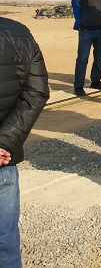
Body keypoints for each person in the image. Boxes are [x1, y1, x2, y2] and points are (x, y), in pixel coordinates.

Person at [0, 17, 50, 267]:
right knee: (6, 242)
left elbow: (36, 92)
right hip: (3, 159)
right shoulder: (18, 32)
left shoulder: (18, 32)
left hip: (3, 159)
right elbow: (36, 92)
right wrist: (5, 142)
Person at [71, 0, 101, 97]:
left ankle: (96, 81)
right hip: (86, 30)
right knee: (82, 59)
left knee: (99, 57)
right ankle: (78, 86)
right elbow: (76, 10)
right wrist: (79, 24)